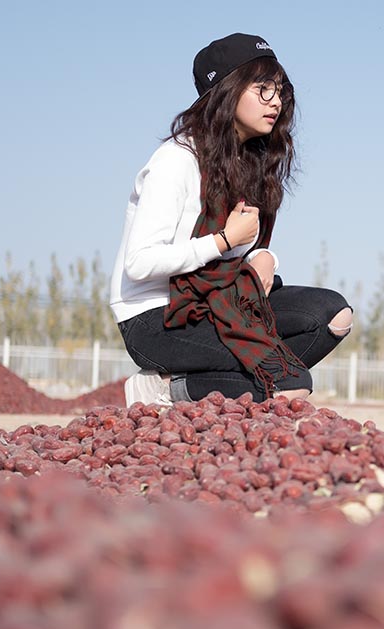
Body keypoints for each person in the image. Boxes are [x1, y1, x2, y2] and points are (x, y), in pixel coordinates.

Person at [109, 33, 353, 406]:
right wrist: (222, 240)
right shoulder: (177, 160)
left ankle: (214, 381)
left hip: (221, 300)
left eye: (280, 91)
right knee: (289, 384)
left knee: (332, 316)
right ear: (227, 91)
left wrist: (263, 257)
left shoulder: (249, 162)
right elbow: (140, 263)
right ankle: (163, 389)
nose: (276, 101)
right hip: (155, 316)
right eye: (262, 89)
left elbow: (237, 253)